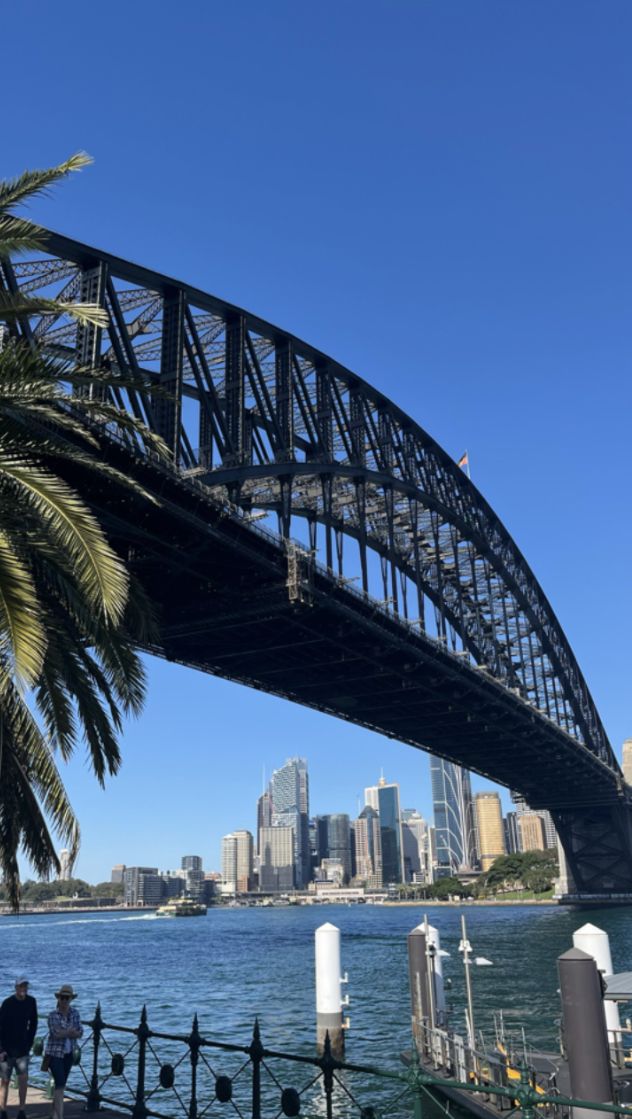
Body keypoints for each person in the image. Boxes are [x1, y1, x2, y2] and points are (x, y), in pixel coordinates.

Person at [0, 975, 38, 1119]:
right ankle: (3, 1110)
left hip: (22, 1048)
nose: (23, 989)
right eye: (21, 986)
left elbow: (33, 1023)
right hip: (6, 1048)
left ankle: (22, 1110)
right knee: (5, 1080)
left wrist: (29, 1042)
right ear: (16, 988)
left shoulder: (31, 1001)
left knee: (23, 1079)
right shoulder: (7, 1003)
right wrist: (1, 1048)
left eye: (25, 986)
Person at [44, 985, 82, 1119]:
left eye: (67, 998)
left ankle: (54, 1114)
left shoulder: (75, 1013)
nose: (65, 1000)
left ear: (71, 999)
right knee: (60, 1085)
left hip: (69, 1054)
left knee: (61, 1086)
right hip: (55, 1054)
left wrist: (66, 1032)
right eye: (63, 998)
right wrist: (70, 1032)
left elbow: (80, 1032)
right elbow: (55, 1033)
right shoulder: (53, 1015)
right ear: (59, 998)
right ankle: (59, 1116)